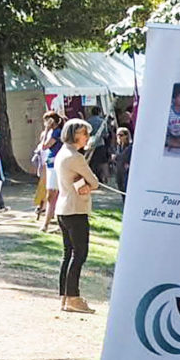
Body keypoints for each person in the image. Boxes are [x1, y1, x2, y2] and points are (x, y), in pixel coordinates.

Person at [54, 118, 101, 313]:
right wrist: (90, 184)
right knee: (79, 254)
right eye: (84, 133)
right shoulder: (75, 157)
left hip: (63, 209)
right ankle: (73, 296)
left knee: (68, 255)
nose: (87, 137)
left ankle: (65, 296)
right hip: (75, 210)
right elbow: (94, 181)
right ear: (75, 134)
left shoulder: (62, 153)